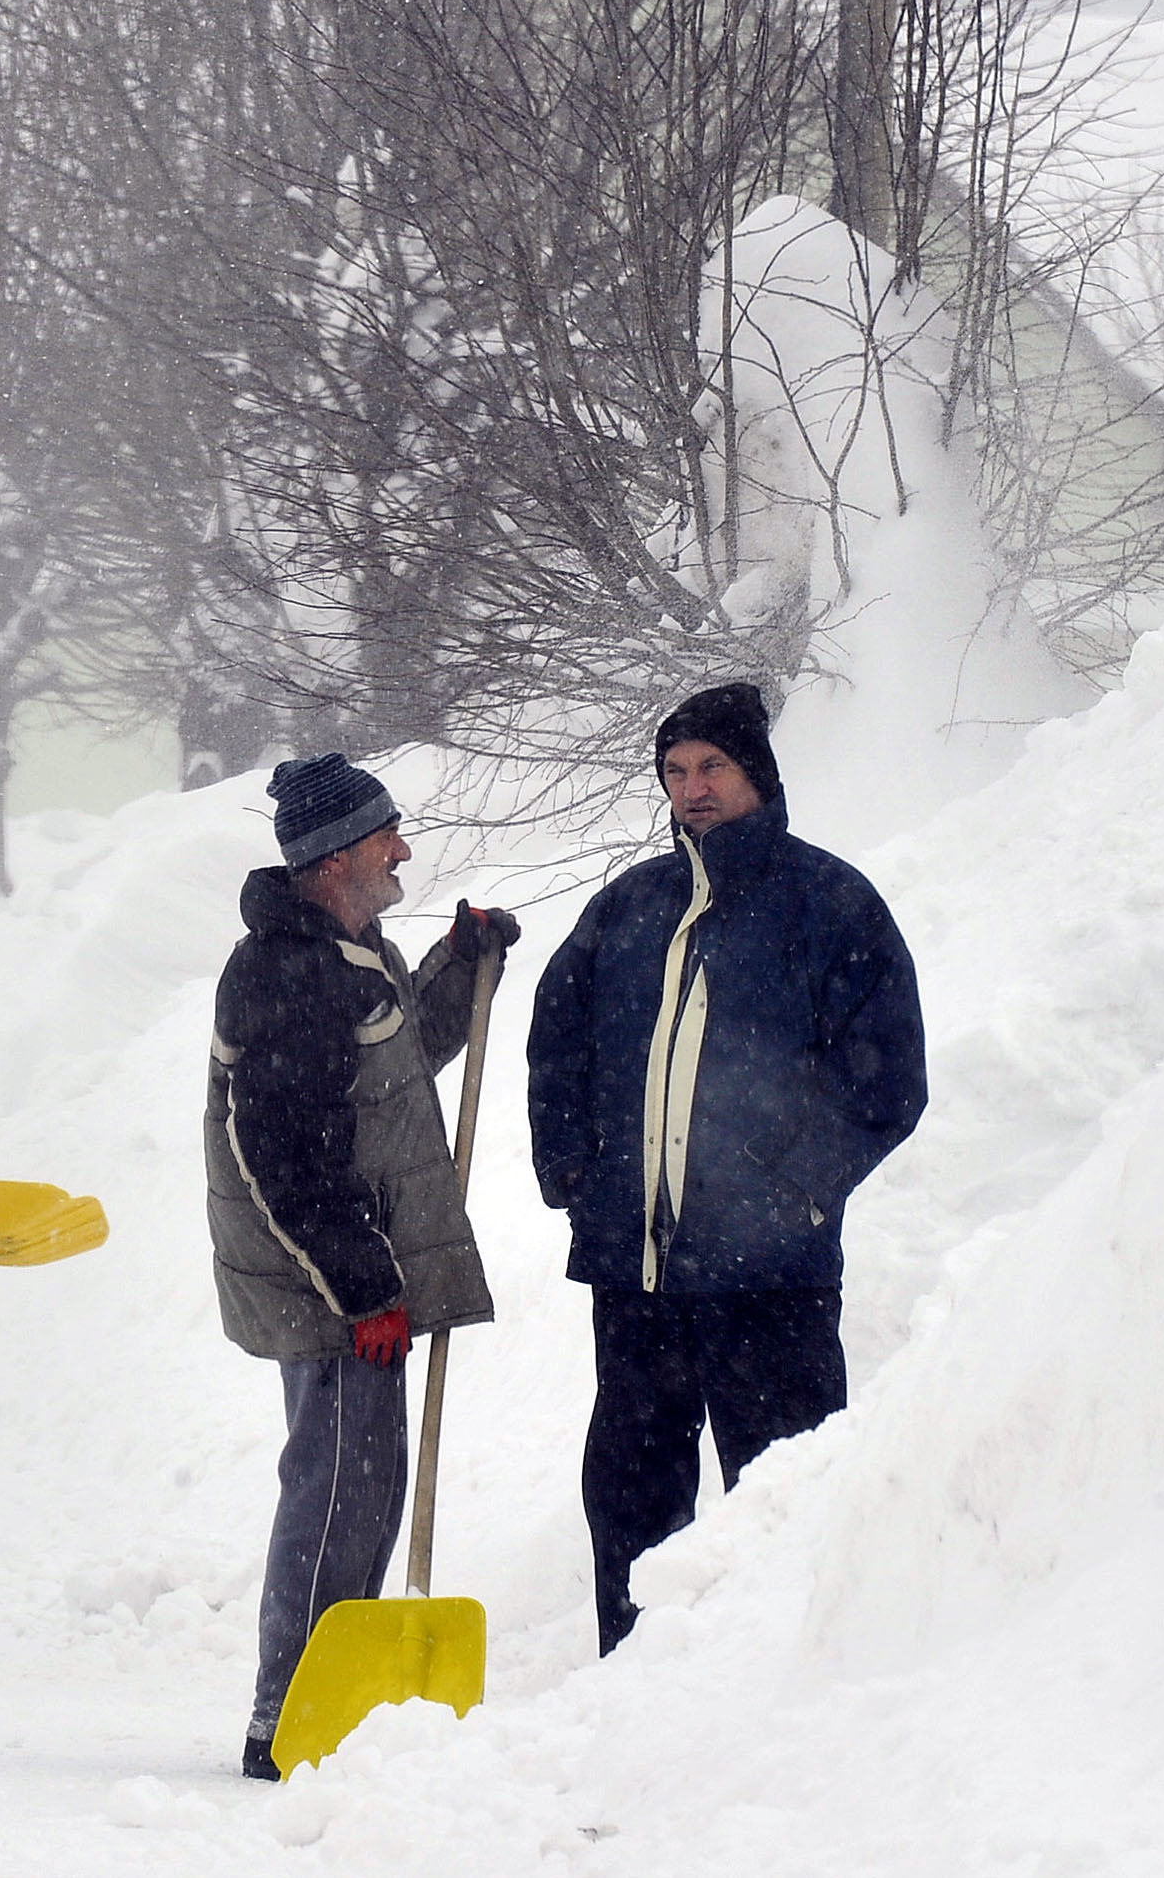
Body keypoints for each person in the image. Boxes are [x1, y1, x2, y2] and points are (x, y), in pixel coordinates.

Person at [527, 683, 927, 1654]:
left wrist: (785, 1199)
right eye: (673, 771)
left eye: (711, 766)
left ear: (756, 774)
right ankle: (625, 1677)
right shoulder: (627, 909)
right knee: (629, 1487)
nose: (691, 789)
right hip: (637, 1274)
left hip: (769, 1280)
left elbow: (884, 1080)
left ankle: (764, 1688)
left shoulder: (828, 903)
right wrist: (577, 1182)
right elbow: (557, 1048)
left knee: (777, 1493)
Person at [205, 753, 517, 1779]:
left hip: (344, 1274)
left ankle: (318, 1692)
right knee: (338, 1489)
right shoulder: (285, 973)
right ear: (338, 855)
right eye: (387, 835)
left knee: (359, 1485)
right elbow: (282, 1158)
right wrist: (366, 1287)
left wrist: (459, 971)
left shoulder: (344, 952)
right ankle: (284, 1713)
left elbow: (387, 1065)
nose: (403, 850)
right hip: (329, 1284)